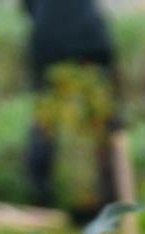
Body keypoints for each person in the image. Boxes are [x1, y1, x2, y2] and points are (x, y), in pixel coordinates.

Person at [22, 0, 118, 213]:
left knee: (48, 130)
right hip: (87, 51)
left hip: (50, 51)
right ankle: (87, 202)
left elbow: (28, 9)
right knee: (93, 130)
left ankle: (44, 196)